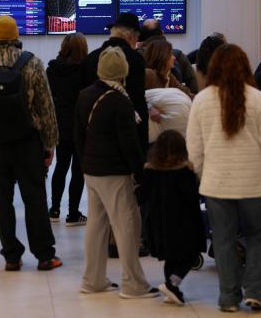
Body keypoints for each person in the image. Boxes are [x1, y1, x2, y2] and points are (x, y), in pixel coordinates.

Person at [186, 44, 261, 312]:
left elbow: (194, 147)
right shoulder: (260, 100)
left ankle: (228, 298)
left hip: (217, 183)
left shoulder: (202, 101)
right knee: (256, 237)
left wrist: (202, 173)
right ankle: (256, 293)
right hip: (255, 183)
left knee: (223, 240)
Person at [0, 15, 62, 271]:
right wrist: (49, 144)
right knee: (36, 199)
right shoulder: (32, 64)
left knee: (2, 202)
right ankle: (44, 256)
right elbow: (46, 108)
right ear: (16, 36)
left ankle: (11, 256)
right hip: (27, 144)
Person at [75, 46, 158, 299]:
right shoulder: (120, 101)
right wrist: (141, 174)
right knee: (127, 227)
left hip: (91, 170)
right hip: (114, 172)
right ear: (124, 72)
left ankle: (93, 280)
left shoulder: (85, 94)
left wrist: (85, 163)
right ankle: (134, 285)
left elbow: (78, 135)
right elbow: (129, 145)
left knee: (96, 226)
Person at [141, 130, 205, 305]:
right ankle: (172, 284)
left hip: (158, 223)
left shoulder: (150, 170)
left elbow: (142, 195)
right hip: (183, 223)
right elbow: (191, 196)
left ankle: (172, 290)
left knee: (170, 257)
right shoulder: (184, 171)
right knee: (190, 256)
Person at [82, 13, 148, 153]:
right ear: (132, 36)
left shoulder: (90, 58)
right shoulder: (135, 59)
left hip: (93, 135)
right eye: (137, 39)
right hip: (123, 136)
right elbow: (138, 101)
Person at [46, 32, 88, 226]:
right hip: (80, 125)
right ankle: (73, 214)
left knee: (60, 168)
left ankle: (54, 209)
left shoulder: (52, 69)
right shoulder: (85, 71)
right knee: (78, 171)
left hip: (60, 125)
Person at [139, 19, 198, 94]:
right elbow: (193, 85)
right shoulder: (178, 55)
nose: (173, 58)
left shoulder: (137, 56)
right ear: (162, 33)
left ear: (141, 37)